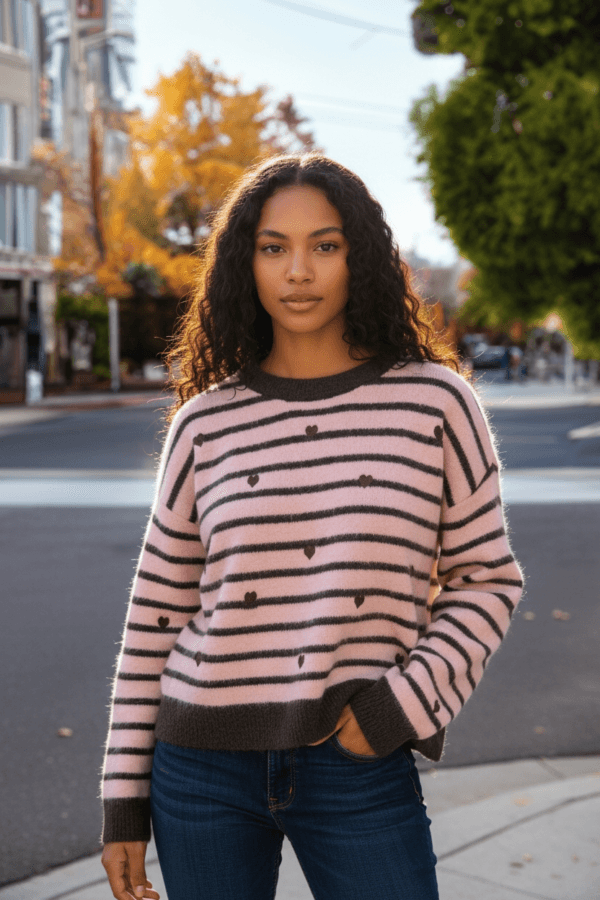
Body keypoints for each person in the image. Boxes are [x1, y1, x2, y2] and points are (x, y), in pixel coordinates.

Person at [101, 153, 523, 900]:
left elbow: (485, 580)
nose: (298, 271)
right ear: (245, 263)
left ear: (359, 257)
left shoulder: (436, 404)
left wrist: (400, 706)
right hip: (199, 770)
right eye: (274, 247)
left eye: (325, 246)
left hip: (356, 759)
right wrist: (123, 801)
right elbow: (156, 618)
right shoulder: (204, 424)